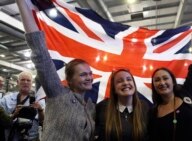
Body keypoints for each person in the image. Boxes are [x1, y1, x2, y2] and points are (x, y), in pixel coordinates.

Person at [16, 0, 95, 140]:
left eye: (90, 73)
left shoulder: (90, 106)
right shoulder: (57, 93)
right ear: (70, 80)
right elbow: (40, 53)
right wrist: (22, 3)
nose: (89, 77)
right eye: (83, 74)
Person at [148, 28, 192, 141]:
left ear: (172, 81)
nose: (162, 82)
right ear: (154, 85)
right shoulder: (153, 112)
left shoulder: (187, 92)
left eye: (165, 78)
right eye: (157, 80)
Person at [95, 69, 149, 141]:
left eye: (129, 79)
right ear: (114, 89)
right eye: (119, 81)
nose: (125, 83)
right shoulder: (103, 107)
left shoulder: (144, 107)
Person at [0, 71, 45, 141]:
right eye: (23, 80)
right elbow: (1, 119)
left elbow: (43, 121)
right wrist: (14, 114)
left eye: (28, 80)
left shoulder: (39, 100)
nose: (25, 82)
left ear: (31, 83)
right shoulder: (6, 99)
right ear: (17, 82)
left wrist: (40, 109)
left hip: (31, 138)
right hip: (10, 137)